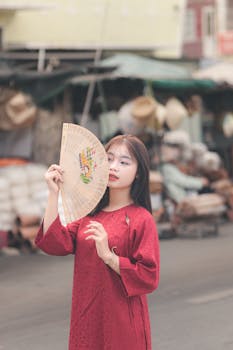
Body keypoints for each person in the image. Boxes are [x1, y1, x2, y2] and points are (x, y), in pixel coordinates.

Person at [35, 134, 160, 350]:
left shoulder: (141, 219)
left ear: (139, 172)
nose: (113, 167)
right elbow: (54, 243)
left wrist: (110, 257)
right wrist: (53, 194)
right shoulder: (89, 216)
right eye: (109, 159)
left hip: (122, 323)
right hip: (87, 317)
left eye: (124, 162)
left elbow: (149, 276)